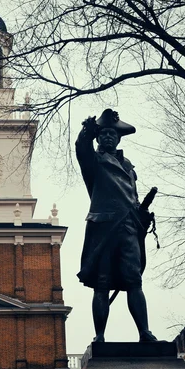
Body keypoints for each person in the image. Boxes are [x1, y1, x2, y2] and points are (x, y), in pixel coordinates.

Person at [75, 108, 157, 342]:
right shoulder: (94, 161)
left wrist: (141, 214)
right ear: (99, 138)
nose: (109, 137)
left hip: (129, 228)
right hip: (104, 228)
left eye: (113, 133)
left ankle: (144, 332)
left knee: (134, 281)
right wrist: (86, 132)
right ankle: (100, 336)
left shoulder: (129, 167)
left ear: (119, 138)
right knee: (102, 285)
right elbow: (82, 148)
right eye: (104, 134)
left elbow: (132, 198)